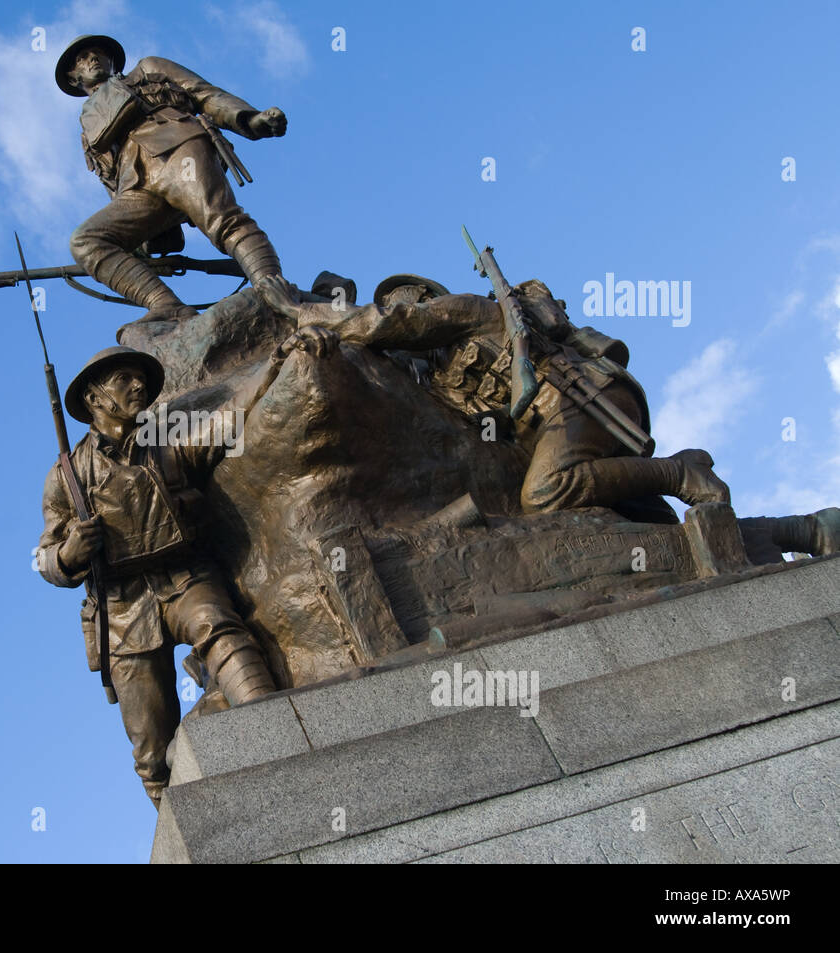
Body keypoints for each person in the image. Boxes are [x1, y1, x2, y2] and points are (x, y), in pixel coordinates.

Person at [36, 332, 335, 804]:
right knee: (151, 750)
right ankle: (176, 818)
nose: (137, 385)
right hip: (120, 609)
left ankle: (282, 737)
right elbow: (44, 558)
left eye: (140, 378)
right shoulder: (66, 476)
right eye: (123, 379)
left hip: (184, 577)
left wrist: (274, 363)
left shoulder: (165, 442)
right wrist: (68, 554)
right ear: (93, 398)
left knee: (222, 634)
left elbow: (228, 419)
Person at [257, 273, 731, 517]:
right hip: (556, 426)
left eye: (402, 297)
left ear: (424, 295)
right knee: (641, 522)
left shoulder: (466, 310)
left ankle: (677, 470)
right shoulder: (438, 381)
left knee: (545, 495)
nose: (396, 306)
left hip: (579, 396)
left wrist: (298, 309)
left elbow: (392, 325)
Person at [56, 34, 288, 322]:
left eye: (97, 53)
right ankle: (166, 305)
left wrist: (249, 119)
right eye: (82, 58)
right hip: (136, 184)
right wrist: (140, 251)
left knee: (223, 221)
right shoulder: (88, 128)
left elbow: (205, 94)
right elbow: (109, 182)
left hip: (179, 147)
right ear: (73, 76)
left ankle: (273, 290)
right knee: (86, 240)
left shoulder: (148, 69)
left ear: (111, 60)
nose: (91, 59)